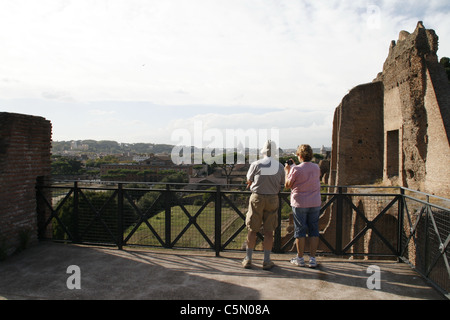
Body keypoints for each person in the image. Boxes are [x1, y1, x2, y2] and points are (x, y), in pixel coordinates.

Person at [242, 140, 285, 270]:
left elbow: (249, 180)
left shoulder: (256, 164)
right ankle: (266, 260)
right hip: (273, 198)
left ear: (263, 152)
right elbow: (282, 184)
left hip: (257, 197)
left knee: (252, 229)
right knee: (269, 231)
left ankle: (248, 259)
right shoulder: (280, 166)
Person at [284, 144, 321, 268]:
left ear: (299, 155)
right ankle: (312, 259)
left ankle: (300, 258)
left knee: (300, 230)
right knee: (314, 230)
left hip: (300, 203)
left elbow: (288, 185)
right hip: (315, 202)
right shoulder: (316, 167)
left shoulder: (295, 170)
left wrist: (287, 171)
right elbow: (306, 173)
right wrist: (294, 167)